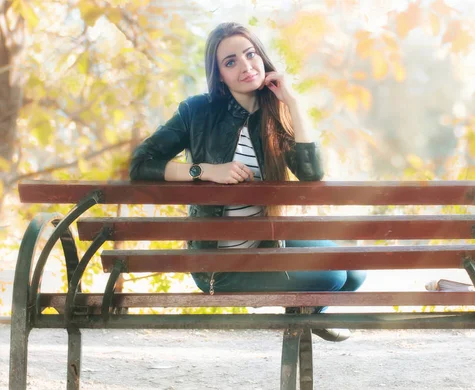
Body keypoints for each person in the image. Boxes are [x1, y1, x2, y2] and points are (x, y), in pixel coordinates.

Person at [129, 22, 366, 341]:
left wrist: (292, 103)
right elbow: (142, 164)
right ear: (220, 76)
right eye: (230, 62)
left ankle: (306, 314)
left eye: (250, 54)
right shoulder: (197, 111)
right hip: (219, 264)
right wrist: (205, 170)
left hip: (263, 244)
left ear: (262, 57)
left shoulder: (271, 113)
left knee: (355, 271)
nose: (245, 65)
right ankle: (304, 314)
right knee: (333, 276)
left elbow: (312, 174)